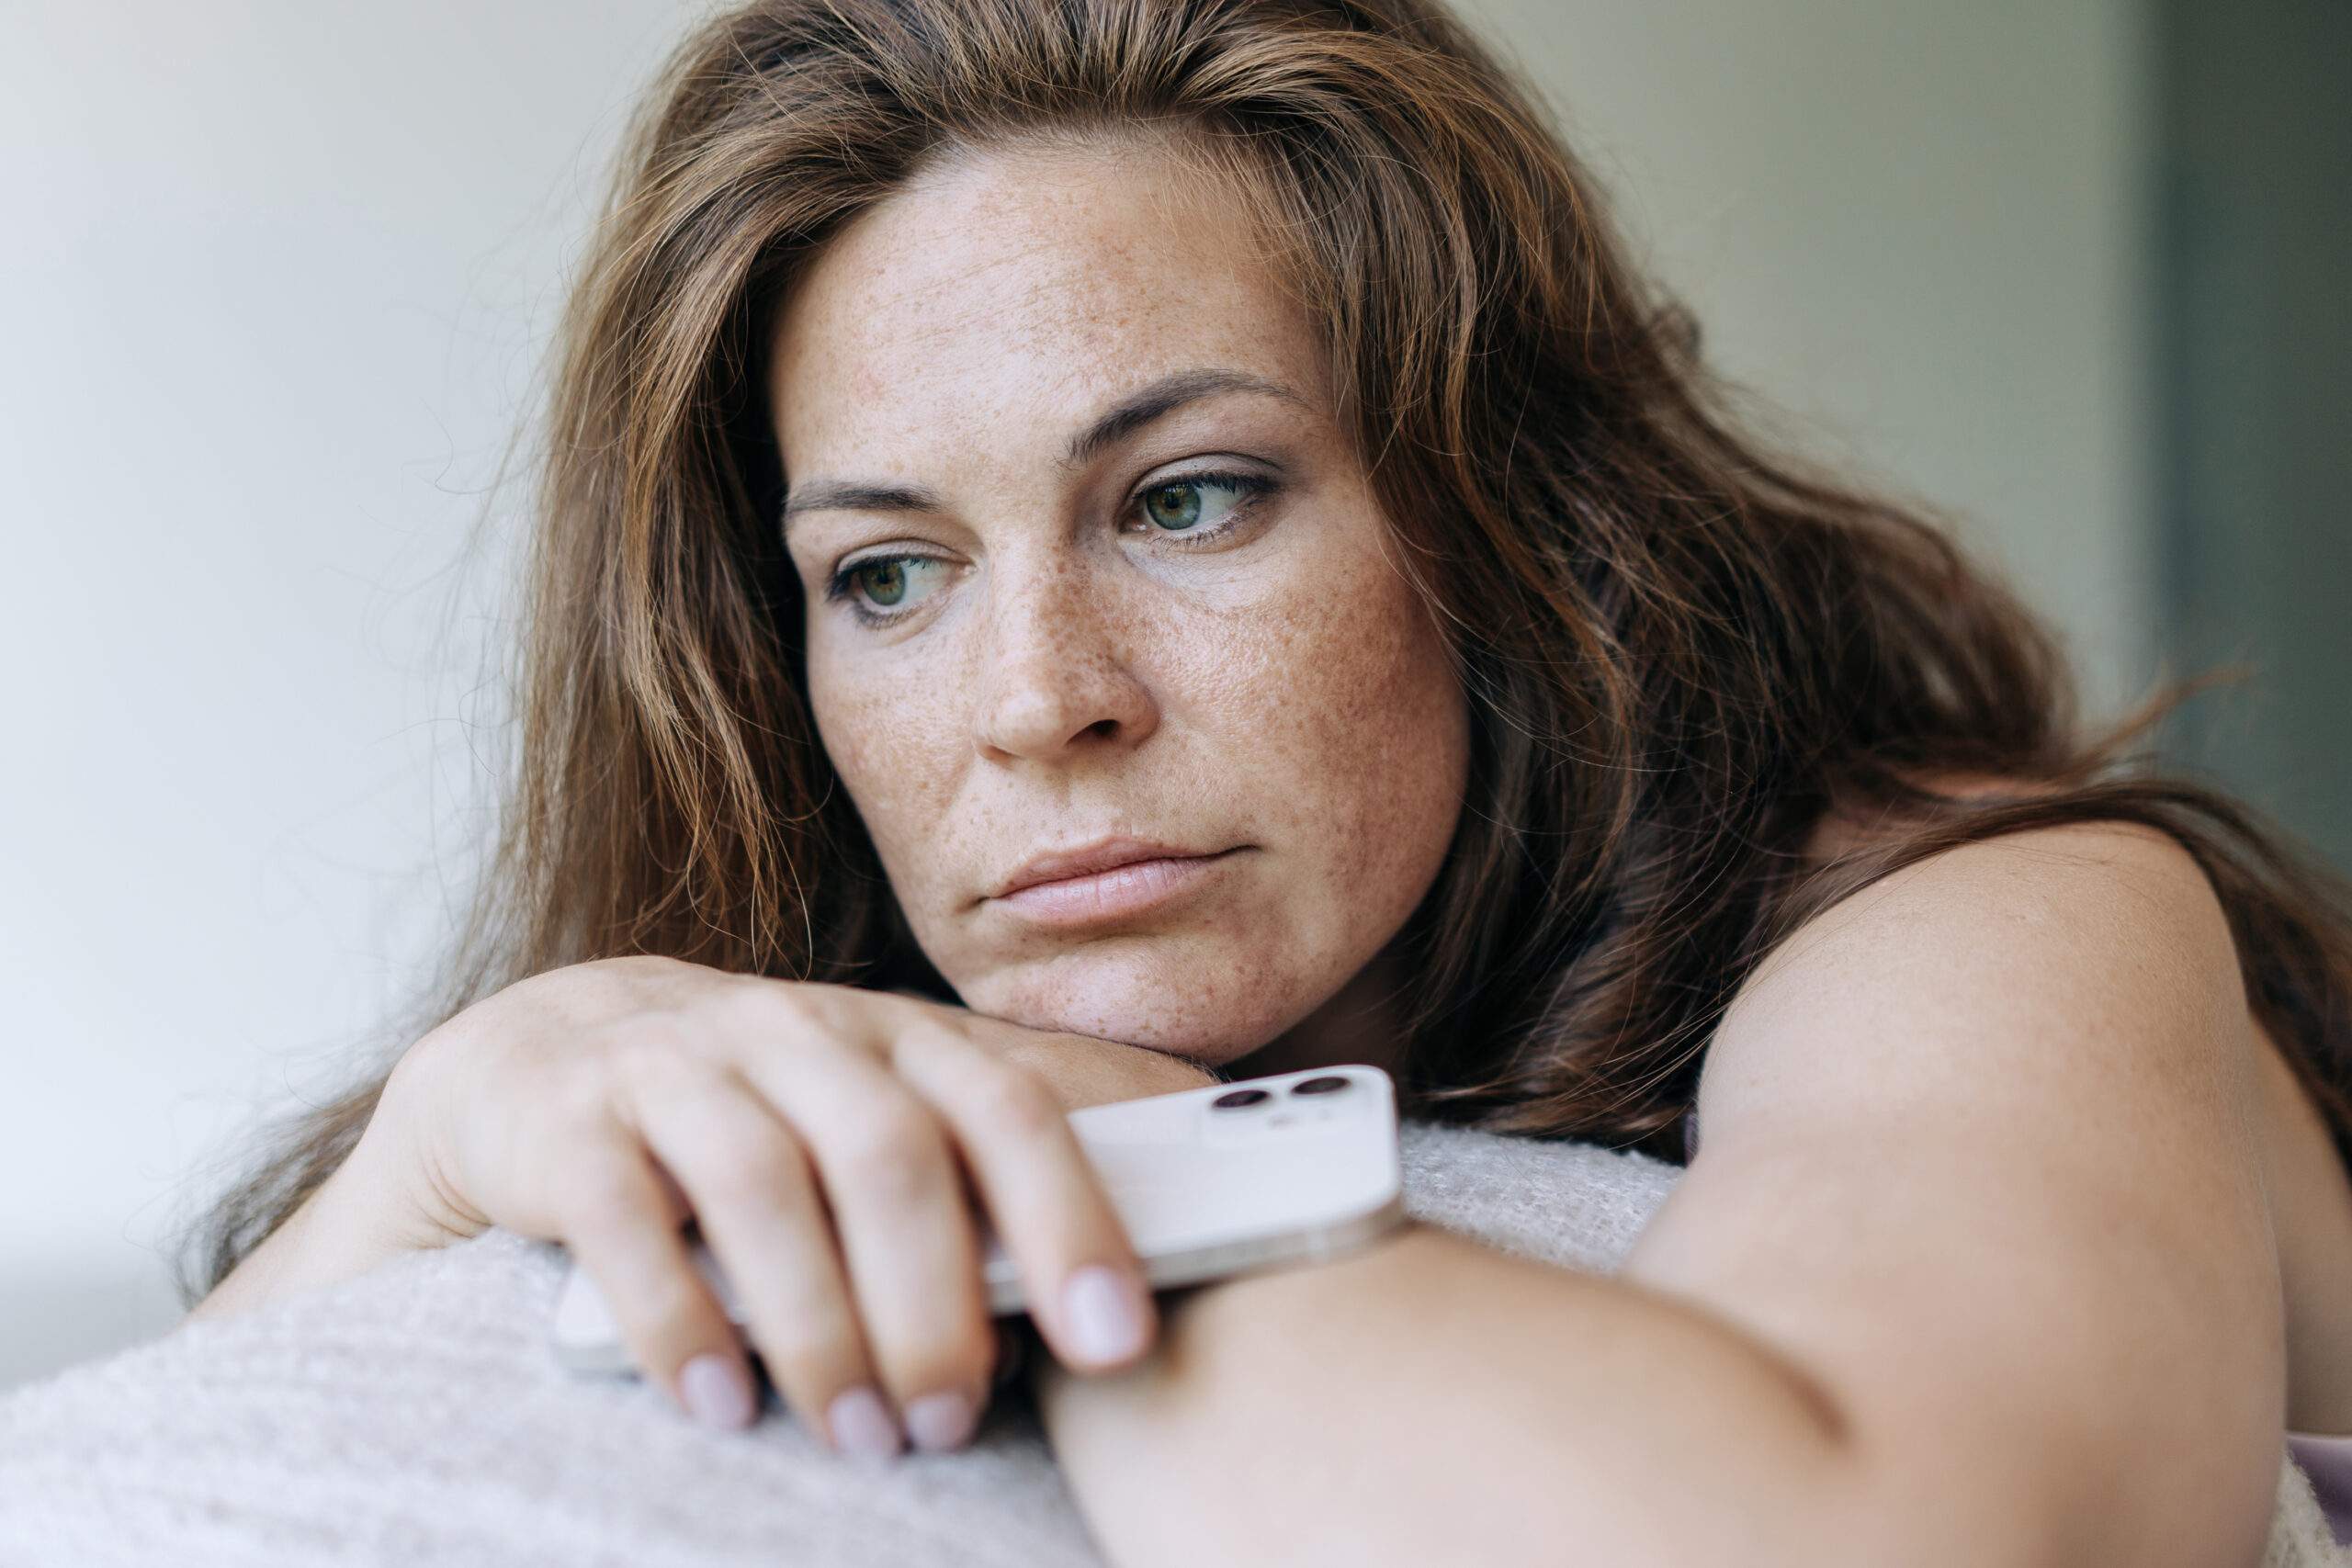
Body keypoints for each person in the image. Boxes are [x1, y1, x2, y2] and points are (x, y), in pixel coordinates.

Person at [187, 0, 2352, 1562]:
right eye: (887, 571)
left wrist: (1077, 1146)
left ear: (1505, 522)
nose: (1036, 699)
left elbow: (1866, 1540)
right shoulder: (785, 983)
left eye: (1191, 498)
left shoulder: (1981, 919)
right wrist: (448, 1134)